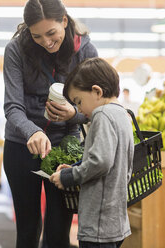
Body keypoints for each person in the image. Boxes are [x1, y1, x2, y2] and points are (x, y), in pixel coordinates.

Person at [2, 0, 98, 247]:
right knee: (28, 228)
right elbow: (12, 106)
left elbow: (96, 107)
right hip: (21, 146)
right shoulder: (16, 49)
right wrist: (31, 131)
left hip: (64, 148)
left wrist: (73, 114)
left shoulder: (85, 51)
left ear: (64, 21)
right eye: (37, 36)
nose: (46, 41)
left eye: (51, 33)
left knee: (58, 231)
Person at [50, 57, 133, 248]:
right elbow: (111, 158)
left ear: (97, 91)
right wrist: (75, 167)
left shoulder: (102, 115)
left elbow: (101, 162)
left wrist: (69, 176)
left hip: (98, 223)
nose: (78, 109)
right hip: (115, 220)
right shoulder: (122, 114)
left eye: (78, 102)